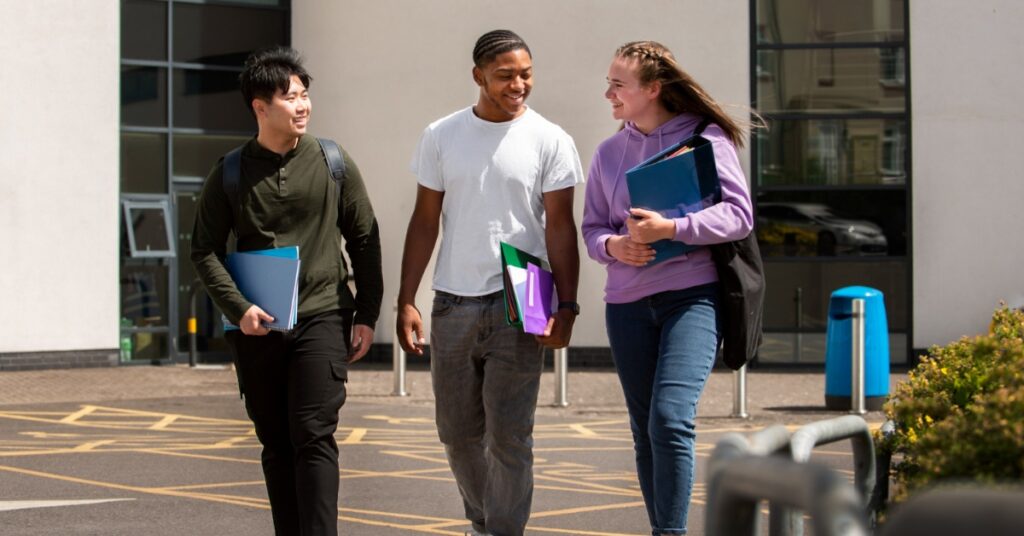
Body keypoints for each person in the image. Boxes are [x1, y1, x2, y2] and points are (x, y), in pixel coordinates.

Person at [396, 29, 584, 536]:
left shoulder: (551, 139)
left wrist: (567, 307)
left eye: (525, 73)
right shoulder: (441, 134)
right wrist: (406, 299)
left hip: (524, 297)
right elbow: (423, 221)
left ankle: (502, 530)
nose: (518, 84)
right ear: (478, 76)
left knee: (510, 435)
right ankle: (482, 519)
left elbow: (560, 228)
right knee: (457, 434)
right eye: (505, 75)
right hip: (452, 301)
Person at [190, 46, 383, 536]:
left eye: (304, 95)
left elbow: (364, 236)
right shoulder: (229, 172)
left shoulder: (333, 161)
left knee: (314, 435)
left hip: (322, 316)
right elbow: (204, 250)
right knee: (277, 444)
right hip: (259, 327)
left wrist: (367, 313)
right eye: (289, 97)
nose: (302, 105)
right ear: (259, 106)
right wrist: (239, 307)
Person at [581, 41, 755, 535]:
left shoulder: (706, 138)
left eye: (619, 84)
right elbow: (592, 227)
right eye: (609, 82)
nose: (608, 93)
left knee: (670, 418)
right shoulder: (609, 152)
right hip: (627, 305)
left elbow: (739, 216)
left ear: (653, 89)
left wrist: (672, 229)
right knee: (644, 432)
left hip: (691, 297)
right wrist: (614, 246)